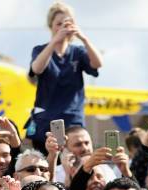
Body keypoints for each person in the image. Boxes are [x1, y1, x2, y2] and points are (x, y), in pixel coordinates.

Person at [27, 2, 102, 155]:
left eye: (67, 23)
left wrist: (83, 38)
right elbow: (37, 69)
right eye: (58, 24)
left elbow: (97, 63)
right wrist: (55, 41)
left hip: (72, 120)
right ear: (51, 26)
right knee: (45, 159)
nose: (63, 27)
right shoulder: (40, 50)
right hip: (46, 120)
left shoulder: (78, 52)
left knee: (77, 158)